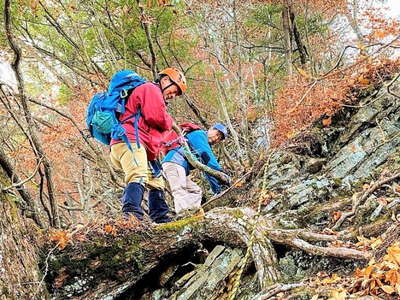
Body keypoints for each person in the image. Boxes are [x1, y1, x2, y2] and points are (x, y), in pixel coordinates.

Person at [109, 68, 187, 223]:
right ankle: (130, 217)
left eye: (177, 94)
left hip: (139, 146)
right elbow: (155, 117)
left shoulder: (155, 95)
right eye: (174, 90)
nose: (173, 95)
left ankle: (160, 218)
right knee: (138, 175)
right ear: (165, 80)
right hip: (129, 141)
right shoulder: (150, 89)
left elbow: (153, 129)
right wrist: (170, 122)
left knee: (157, 181)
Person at [161, 123, 229, 215]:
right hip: (174, 162)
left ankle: (193, 214)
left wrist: (218, 190)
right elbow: (208, 159)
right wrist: (222, 174)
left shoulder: (202, 142)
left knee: (195, 191)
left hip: (179, 167)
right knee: (179, 190)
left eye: (219, 138)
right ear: (211, 128)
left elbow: (208, 170)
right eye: (217, 134)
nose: (216, 138)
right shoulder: (199, 135)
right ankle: (183, 216)